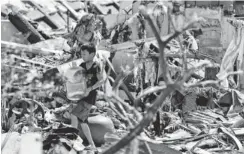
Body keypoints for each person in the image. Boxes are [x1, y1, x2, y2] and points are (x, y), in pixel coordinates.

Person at [70, 43, 105, 151]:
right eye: (82, 54)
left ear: (92, 54)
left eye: (84, 54)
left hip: (89, 97)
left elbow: (102, 80)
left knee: (74, 115)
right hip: (81, 96)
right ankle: (92, 146)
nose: (83, 56)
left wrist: (90, 89)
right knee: (83, 121)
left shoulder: (96, 66)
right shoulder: (82, 66)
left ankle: (72, 139)